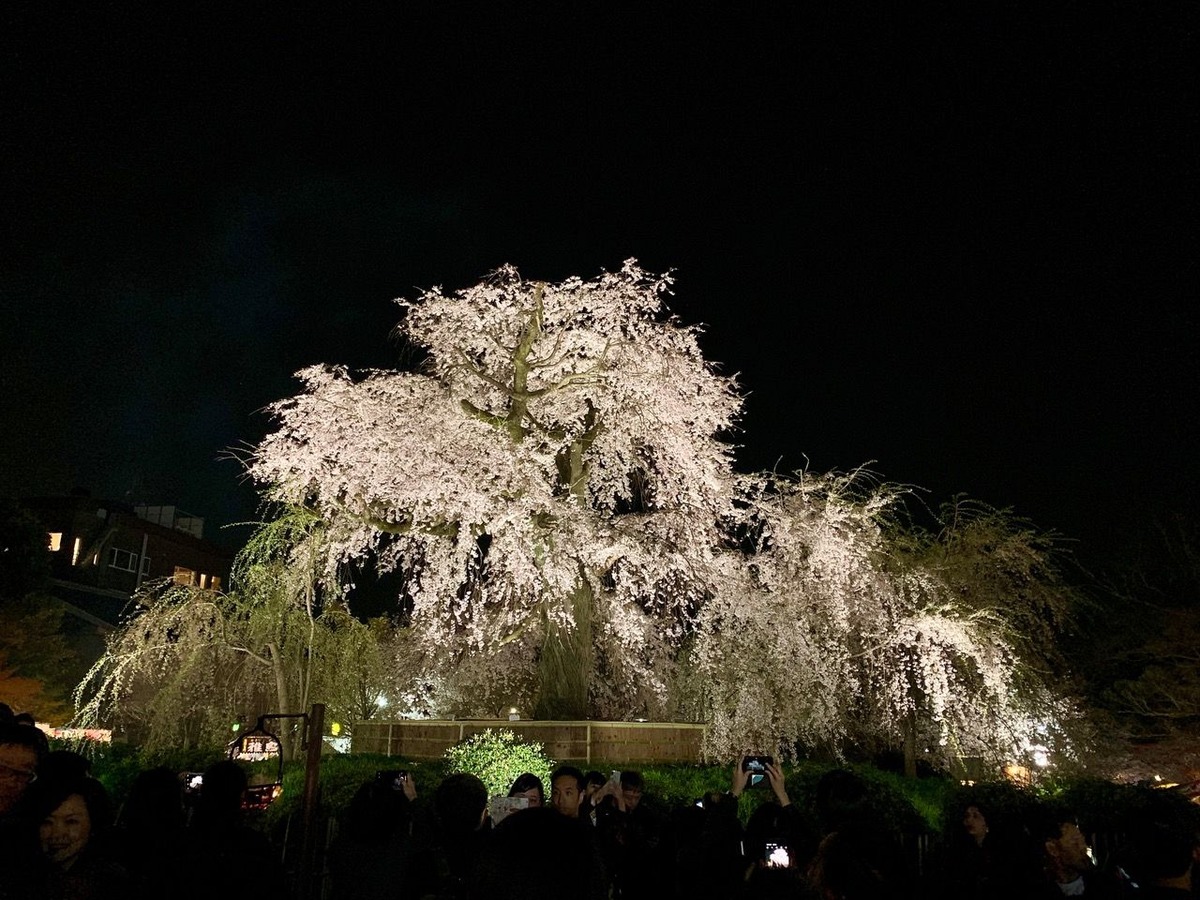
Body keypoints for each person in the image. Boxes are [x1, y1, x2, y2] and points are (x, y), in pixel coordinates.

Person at [27, 773, 126, 899]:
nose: (57, 833)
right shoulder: (20, 877)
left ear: (93, 824)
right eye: (47, 822)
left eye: (71, 821)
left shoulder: (115, 884)